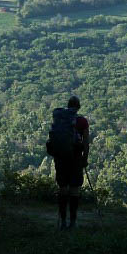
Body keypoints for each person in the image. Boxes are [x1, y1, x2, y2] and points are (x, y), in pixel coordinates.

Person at [50, 95, 90, 230]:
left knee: (62, 189)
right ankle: (72, 222)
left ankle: (62, 221)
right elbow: (86, 142)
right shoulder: (82, 122)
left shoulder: (60, 119)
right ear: (78, 107)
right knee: (74, 190)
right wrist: (85, 158)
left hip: (60, 158)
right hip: (76, 159)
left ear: (68, 106)